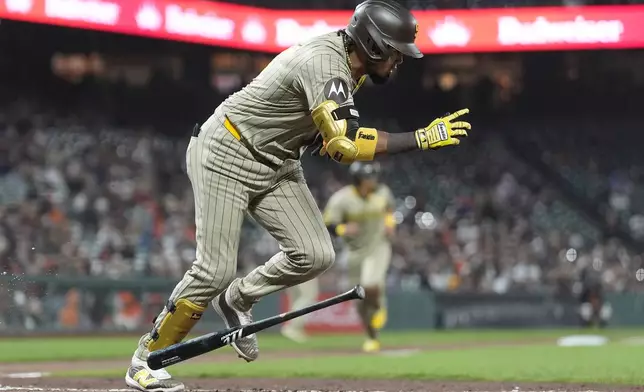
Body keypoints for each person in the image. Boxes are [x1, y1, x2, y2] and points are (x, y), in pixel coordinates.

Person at [125, 1, 471, 391]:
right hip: (227, 153)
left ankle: (238, 298)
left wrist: (322, 132)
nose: (399, 61)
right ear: (373, 46)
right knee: (214, 270)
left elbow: (328, 128)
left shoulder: (348, 63)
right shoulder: (326, 62)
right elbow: (346, 144)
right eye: (395, 52)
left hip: (277, 161)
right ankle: (145, 360)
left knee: (316, 253)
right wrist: (421, 138)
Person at [281, 162, 396, 353]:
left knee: (371, 283)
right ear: (358, 179)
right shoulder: (342, 199)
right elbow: (328, 223)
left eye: (374, 177)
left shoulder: (382, 192)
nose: (373, 181)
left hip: (378, 246)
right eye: (369, 177)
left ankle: (378, 308)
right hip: (354, 253)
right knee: (359, 299)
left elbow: (390, 209)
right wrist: (343, 229)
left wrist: (390, 224)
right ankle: (371, 337)